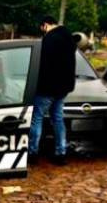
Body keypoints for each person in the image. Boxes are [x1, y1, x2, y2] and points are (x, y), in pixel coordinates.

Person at [29, 15, 76, 165]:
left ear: (45, 25)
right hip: (63, 88)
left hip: (47, 88)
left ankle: (32, 153)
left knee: (37, 118)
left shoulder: (49, 39)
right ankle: (60, 153)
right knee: (58, 119)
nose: (43, 31)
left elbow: (42, 65)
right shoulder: (68, 37)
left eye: (42, 28)